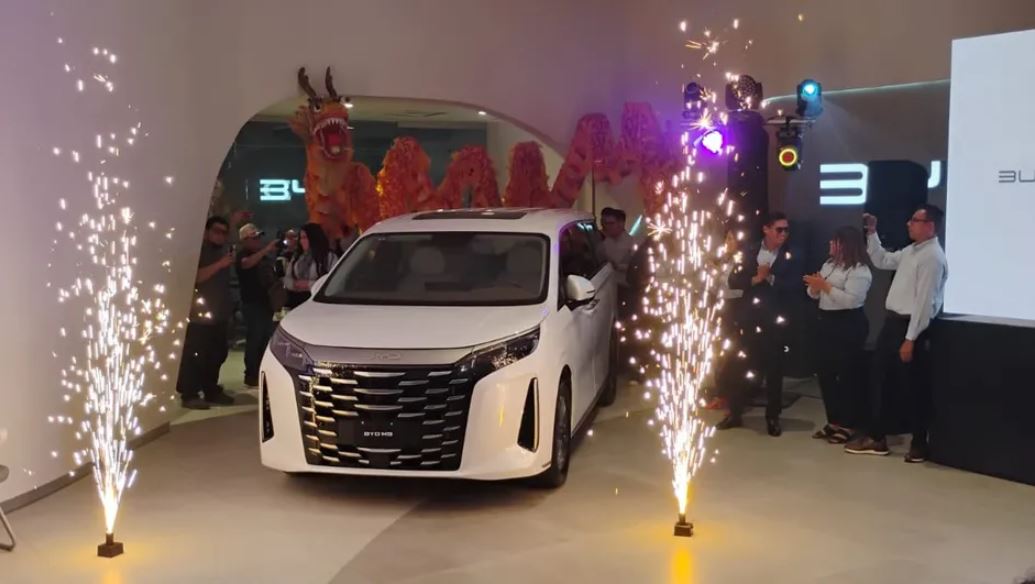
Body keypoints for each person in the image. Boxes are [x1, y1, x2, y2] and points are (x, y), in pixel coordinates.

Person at [845, 205, 948, 463]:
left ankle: (919, 443)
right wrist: (872, 233)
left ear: (930, 226)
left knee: (913, 387)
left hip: (910, 328)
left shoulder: (932, 257)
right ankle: (877, 437)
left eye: (915, 220)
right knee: (879, 379)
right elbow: (883, 260)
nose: (908, 224)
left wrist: (910, 339)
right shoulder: (912, 250)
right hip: (892, 324)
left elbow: (924, 302)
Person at [719, 212, 805, 437]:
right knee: (738, 366)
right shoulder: (749, 251)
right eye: (779, 229)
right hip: (747, 318)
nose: (783, 234)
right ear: (766, 229)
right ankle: (734, 412)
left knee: (774, 369)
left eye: (786, 230)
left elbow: (796, 285)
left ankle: (773, 416)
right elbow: (734, 280)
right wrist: (755, 279)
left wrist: (770, 278)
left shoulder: (793, 254)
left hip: (775, 320)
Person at [804, 226, 873, 445]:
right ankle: (833, 420)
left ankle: (849, 424)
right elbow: (814, 294)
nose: (830, 244)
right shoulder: (828, 264)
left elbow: (852, 301)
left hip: (848, 324)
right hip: (826, 322)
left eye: (835, 242)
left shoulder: (860, 270)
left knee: (846, 376)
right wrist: (815, 288)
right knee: (826, 374)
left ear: (845, 245)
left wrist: (824, 286)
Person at [177, 216, 239, 409]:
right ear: (206, 232)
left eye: (224, 233)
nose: (220, 236)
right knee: (195, 356)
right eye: (216, 231)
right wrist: (220, 264)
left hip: (219, 313)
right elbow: (194, 277)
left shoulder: (223, 251)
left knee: (217, 354)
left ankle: (211, 389)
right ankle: (189, 394)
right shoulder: (199, 252)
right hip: (199, 315)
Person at [236, 223, 280, 388]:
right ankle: (251, 374)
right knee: (254, 339)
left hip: (266, 302)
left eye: (258, 237)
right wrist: (266, 250)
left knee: (264, 339)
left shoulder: (263, 257)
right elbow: (246, 263)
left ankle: (262, 371)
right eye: (254, 238)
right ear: (244, 240)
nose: (258, 240)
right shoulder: (242, 255)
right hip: (252, 304)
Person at [285, 223, 338, 307]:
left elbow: (334, 282)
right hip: (296, 301)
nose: (301, 241)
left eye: (304, 238)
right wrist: (294, 284)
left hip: (318, 301)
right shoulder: (297, 257)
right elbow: (287, 277)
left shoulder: (329, 257)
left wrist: (308, 284)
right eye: (300, 238)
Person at [599, 207, 637, 318]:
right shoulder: (603, 242)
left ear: (621, 224)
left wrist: (619, 266)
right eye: (605, 223)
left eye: (611, 223)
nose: (607, 226)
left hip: (625, 287)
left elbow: (637, 267)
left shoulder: (632, 242)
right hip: (606, 288)